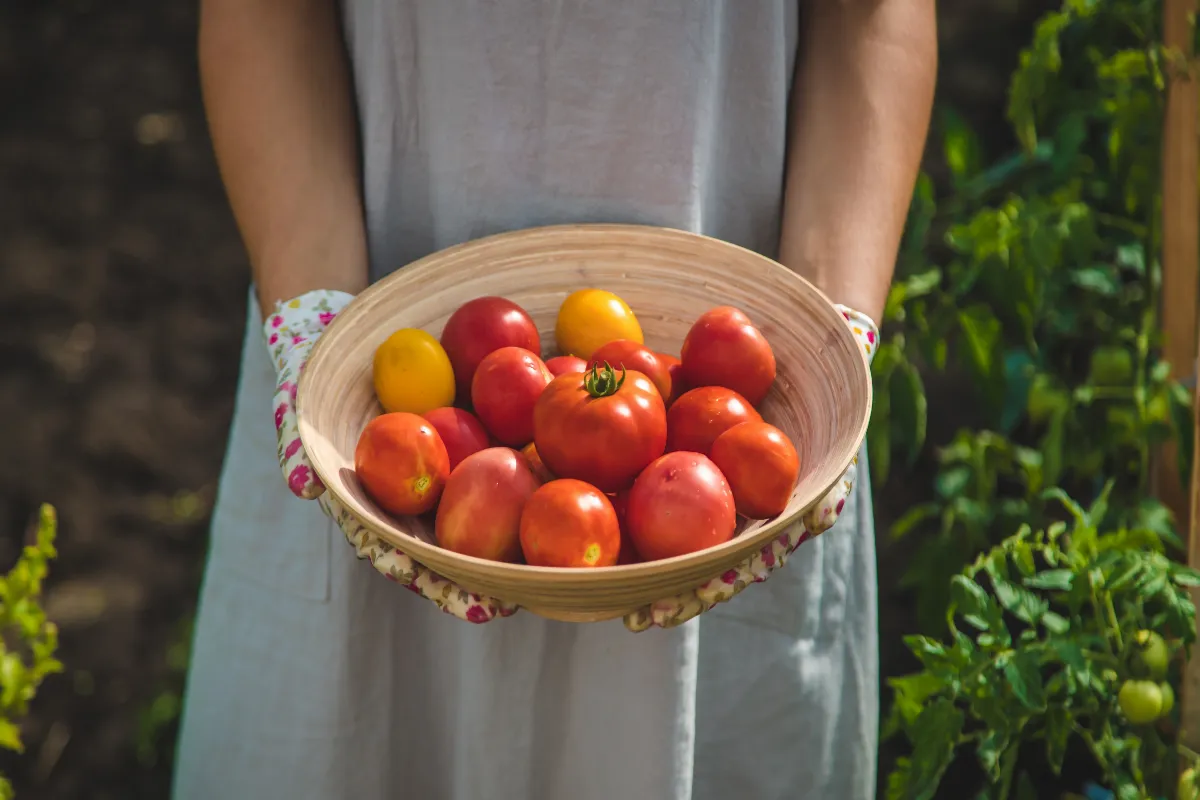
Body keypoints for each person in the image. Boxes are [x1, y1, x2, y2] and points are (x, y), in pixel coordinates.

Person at [173, 1, 936, 798]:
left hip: (758, 313)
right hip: (362, 331)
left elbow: (874, 16)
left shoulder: (700, 401)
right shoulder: (464, 411)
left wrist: (826, 325)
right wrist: (314, 322)